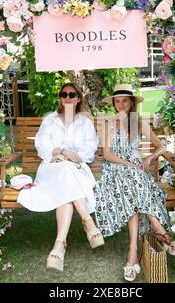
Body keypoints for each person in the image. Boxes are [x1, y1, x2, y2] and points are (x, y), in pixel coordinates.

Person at [17, 83, 104, 272]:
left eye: (72, 94)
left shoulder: (85, 122)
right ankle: (88, 222)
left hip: (76, 170)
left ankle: (59, 244)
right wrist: (62, 151)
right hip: (51, 169)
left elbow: (89, 150)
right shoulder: (50, 119)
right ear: (60, 97)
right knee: (65, 170)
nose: (67, 98)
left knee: (67, 182)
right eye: (64, 94)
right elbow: (42, 146)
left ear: (78, 98)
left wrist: (71, 157)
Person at [94, 84, 172, 282]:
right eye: (117, 101)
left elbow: (162, 146)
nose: (120, 104)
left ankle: (133, 252)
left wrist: (149, 158)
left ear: (131, 103)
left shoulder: (137, 123)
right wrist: (131, 164)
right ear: (114, 103)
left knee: (133, 187)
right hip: (115, 169)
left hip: (136, 171)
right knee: (133, 180)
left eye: (124, 101)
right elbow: (108, 155)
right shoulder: (108, 124)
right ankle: (156, 224)